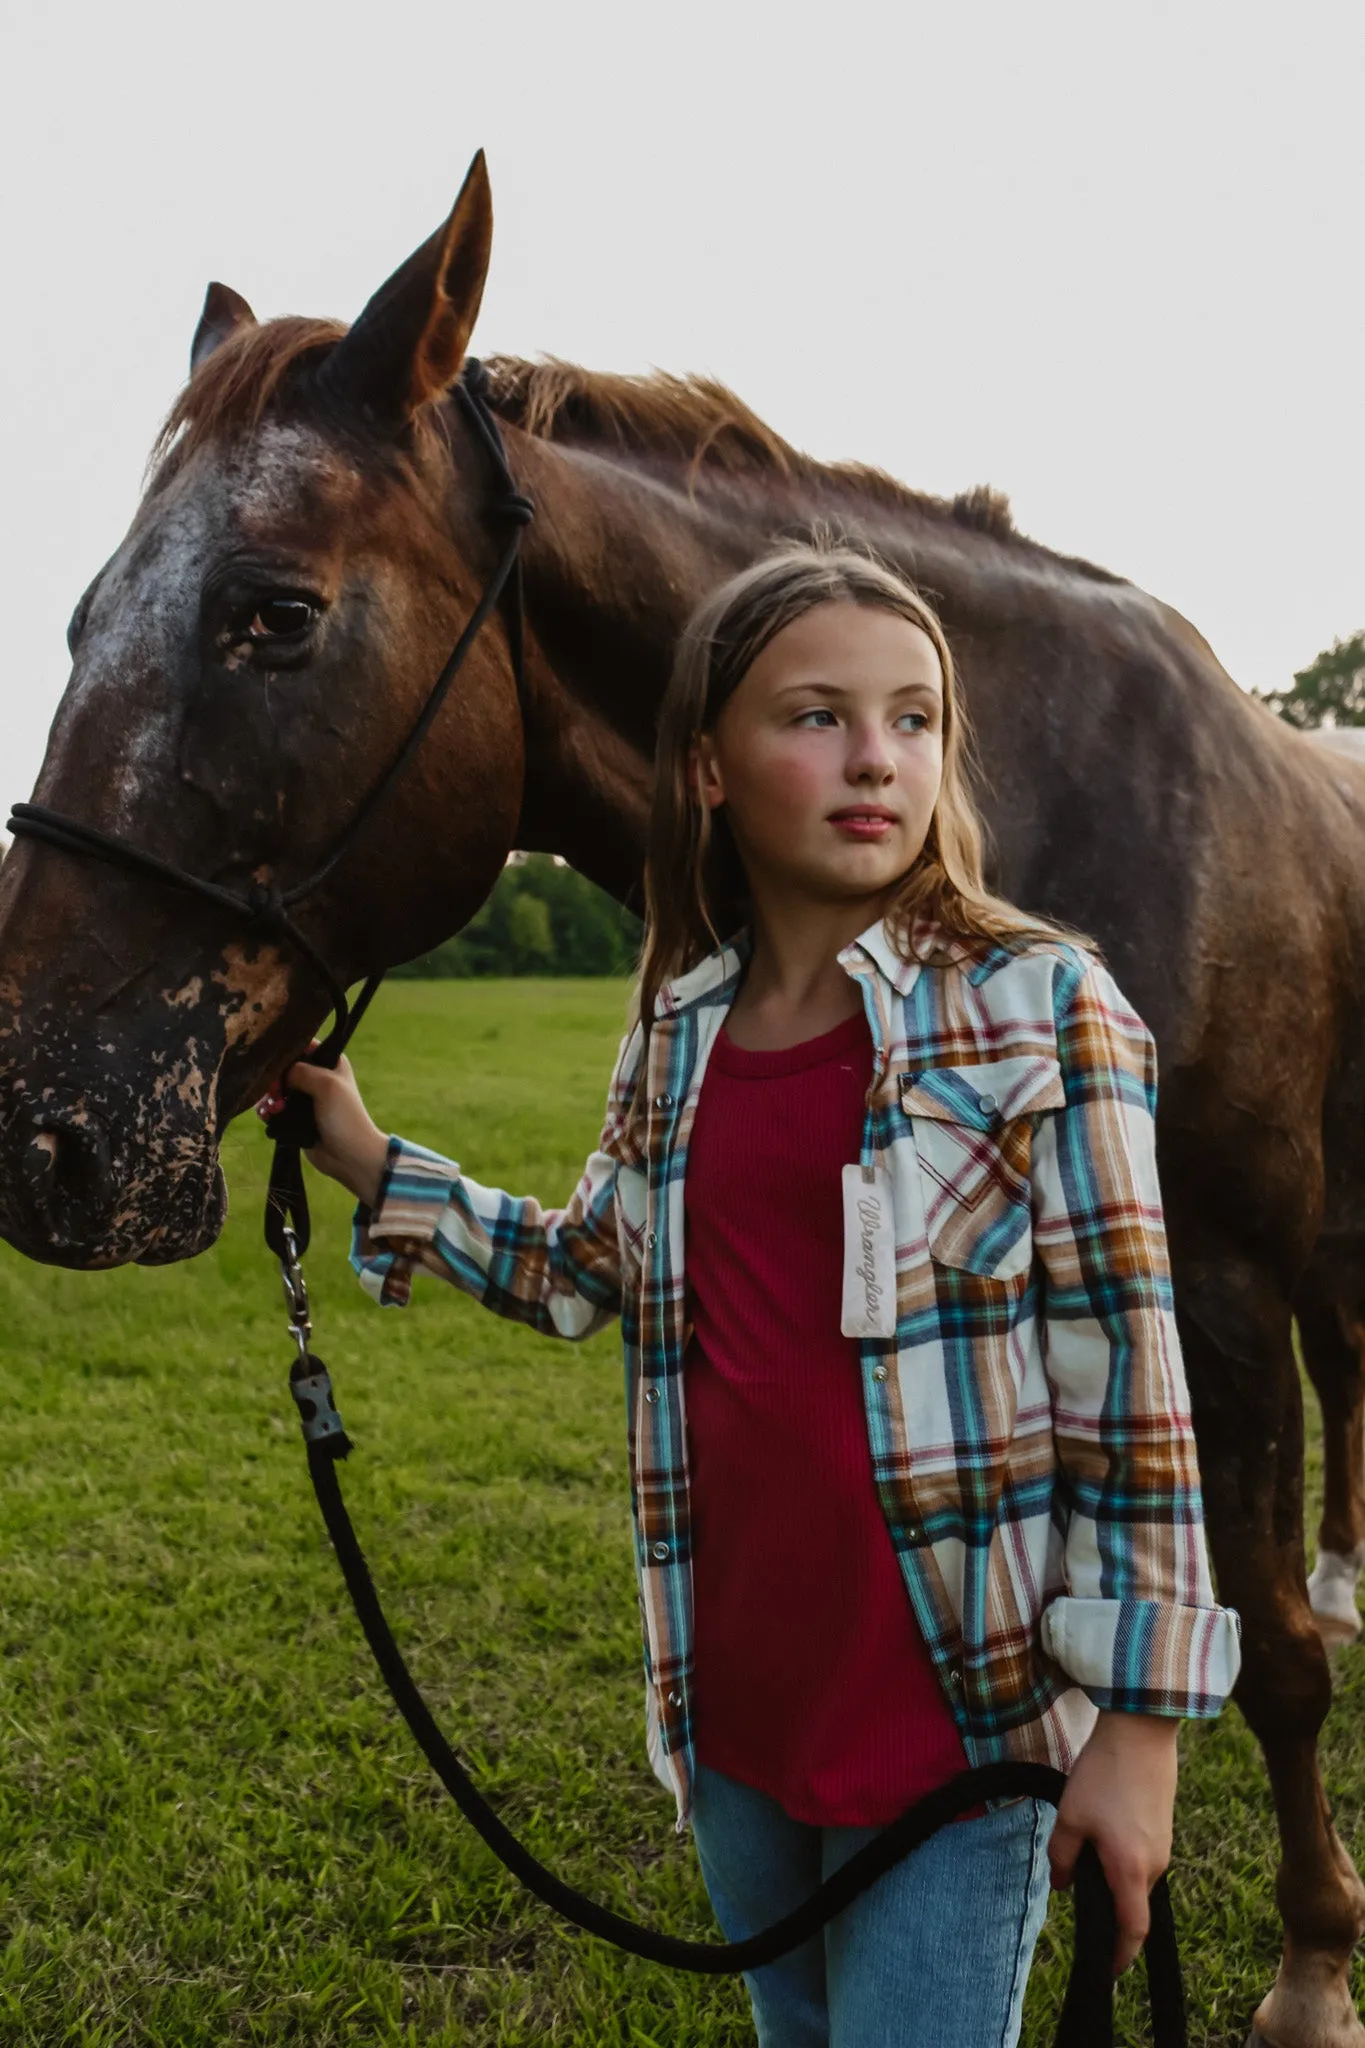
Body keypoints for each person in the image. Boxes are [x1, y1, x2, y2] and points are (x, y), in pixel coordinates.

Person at [283, 542, 1241, 2048]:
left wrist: (1141, 1731)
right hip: (730, 1708)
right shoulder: (678, 1027)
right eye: (816, 717)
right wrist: (369, 1161)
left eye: (914, 718)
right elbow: (586, 1268)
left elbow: (1129, 1384)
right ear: (708, 766)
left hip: (959, 1724)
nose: (877, 758)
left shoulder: (1042, 1007)